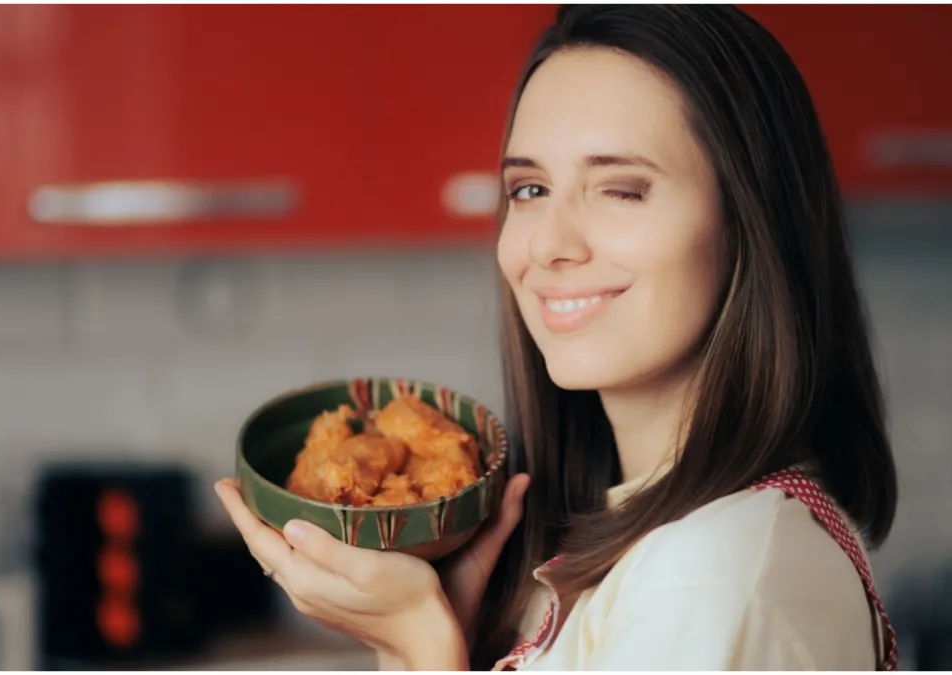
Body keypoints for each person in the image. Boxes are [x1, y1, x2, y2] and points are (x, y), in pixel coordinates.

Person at [215, 4, 900, 670]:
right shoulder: (622, 545)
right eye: (530, 190)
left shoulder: (718, 576)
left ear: (752, 222)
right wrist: (422, 636)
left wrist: (421, 641)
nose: (547, 245)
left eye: (620, 189)